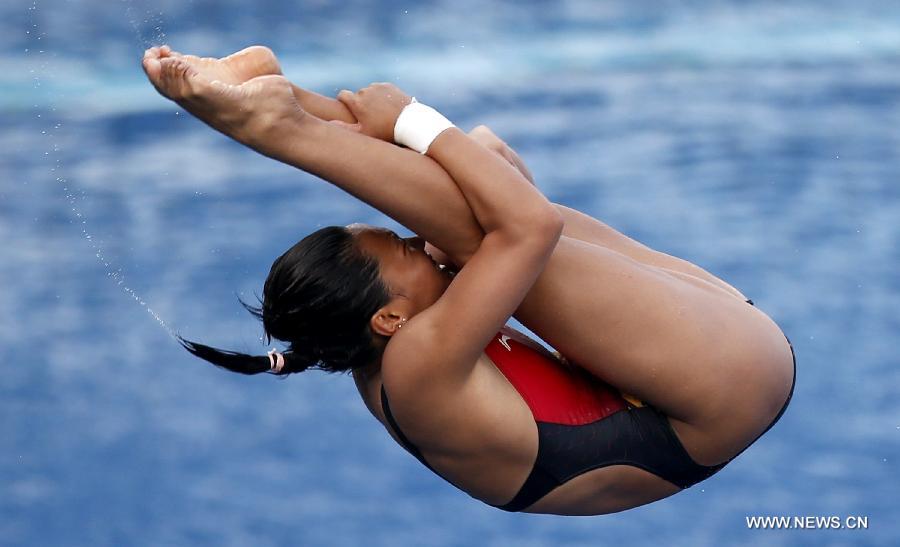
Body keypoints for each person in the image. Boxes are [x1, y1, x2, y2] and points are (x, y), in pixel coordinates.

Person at [141, 45, 795, 516]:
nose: (408, 244)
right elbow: (529, 225)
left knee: (474, 205)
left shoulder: (399, 339)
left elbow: (500, 167)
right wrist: (412, 121)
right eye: (398, 250)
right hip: (721, 391)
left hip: (700, 364)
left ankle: (280, 105)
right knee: (478, 231)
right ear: (387, 319)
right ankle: (278, 127)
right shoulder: (416, 368)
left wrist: (423, 143)